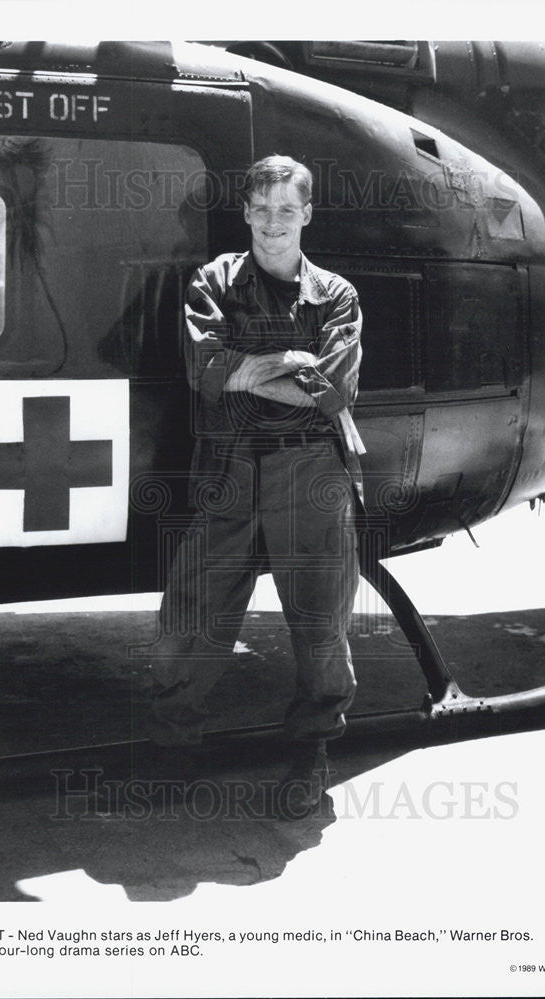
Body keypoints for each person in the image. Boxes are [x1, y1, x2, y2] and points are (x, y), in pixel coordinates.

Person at [148, 155, 364, 819]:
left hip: (310, 472)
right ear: (245, 211)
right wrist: (291, 362)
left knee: (320, 618)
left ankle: (311, 750)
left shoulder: (336, 296)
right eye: (261, 208)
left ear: (306, 214)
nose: (273, 223)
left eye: (286, 209)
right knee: (193, 612)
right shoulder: (211, 281)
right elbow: (203, 371)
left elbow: (331, 395)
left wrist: (246, 372)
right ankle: (173, 747)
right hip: (231, 465)